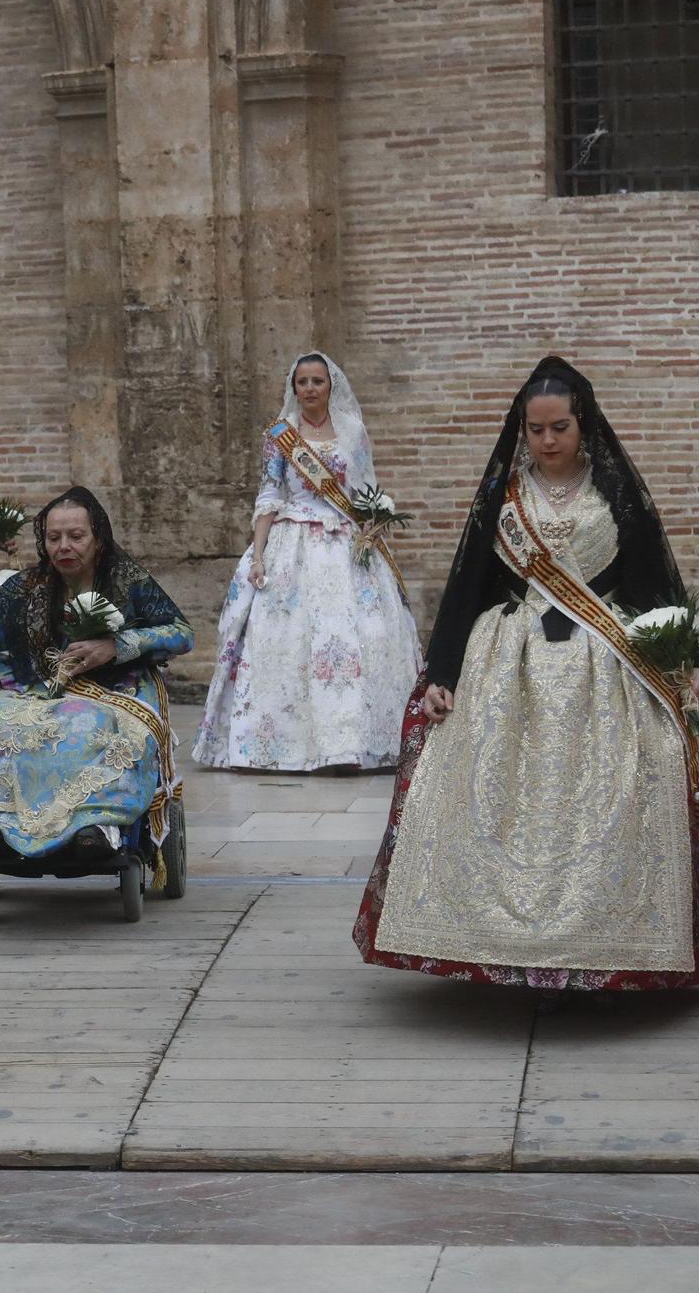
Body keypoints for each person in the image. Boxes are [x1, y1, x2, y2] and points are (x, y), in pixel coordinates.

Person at [355, 357, 698, 989]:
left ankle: (609, 945)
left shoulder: (617, 494)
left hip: (607, 664)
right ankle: (499, 949)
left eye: (559, 427)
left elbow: (651, 585)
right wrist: (444, 672)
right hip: (508, 664)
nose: (547, 441)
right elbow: (468, 588)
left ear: (582, 425)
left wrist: (680, 665)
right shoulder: (503, 499)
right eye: (535, 429)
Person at [0, 487, 194, 864]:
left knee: (87, 725)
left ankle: (97, 824)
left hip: (112, 688)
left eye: (76, 536)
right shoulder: (28, 586)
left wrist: (117, 645)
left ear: (98, 538)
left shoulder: (127, 581)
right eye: (54, 538)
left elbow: (181, 633)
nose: (64, 547)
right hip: (32, 685)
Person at [192, 353, 421, 771]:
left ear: (331, 385)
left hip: (346, 542)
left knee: (360, 636)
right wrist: (258, 554)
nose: (311, 388)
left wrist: (373, 533)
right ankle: (282, 746)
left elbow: (366, 490)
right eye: (303, 382)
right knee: (285, 641)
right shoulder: (281, 436)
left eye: (318, 380)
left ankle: (354, 744)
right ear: (293, 387)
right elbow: (270, 494)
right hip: (291, 541)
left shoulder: (352, 430)